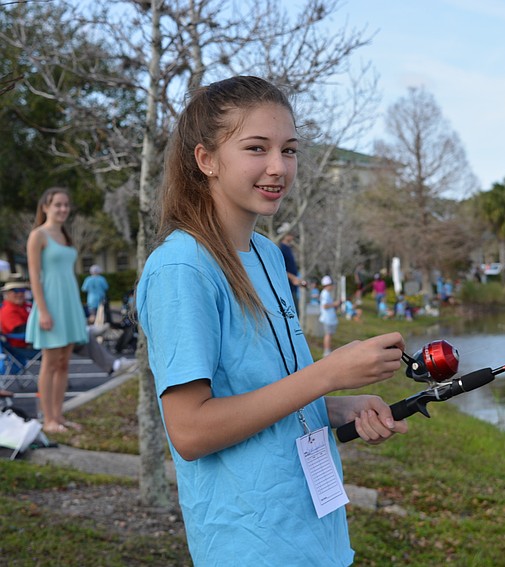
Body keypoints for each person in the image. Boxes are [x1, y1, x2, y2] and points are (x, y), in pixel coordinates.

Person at [135, 75, 407, 565]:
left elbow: (265, 389)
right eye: (257, 148)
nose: (278, 167)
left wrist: (338, 408)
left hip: (316, 535)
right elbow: (190, 431)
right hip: (250, 545)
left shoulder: (268, 255)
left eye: (290, 149)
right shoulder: (182, 269)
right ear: (207, 160)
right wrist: (329, 372)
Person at [24, 187, 89, 434]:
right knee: (50, 364)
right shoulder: (38, 235)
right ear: (45, 207)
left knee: (64, 364)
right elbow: (34, 276)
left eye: (66, 205)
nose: (63, 209)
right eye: (57, 204)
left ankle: (59, 416)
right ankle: (47, 419)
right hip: (49, 304)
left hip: (69, 304)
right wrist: (42, 310)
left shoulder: (65, 235)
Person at [0, 282, 136, 377]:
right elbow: (20, 332)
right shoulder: (8, 311)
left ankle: (110, 362)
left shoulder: (27, 306)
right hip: (29, 345)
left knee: (83, 340)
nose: (21, 294)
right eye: (16, 291)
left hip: (44, 339)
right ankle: (87, 334)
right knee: (82, 338)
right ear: (7, 294)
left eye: (23, 290)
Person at [278, 232, 306, 314]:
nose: (292, 236)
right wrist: (292, 278)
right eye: (289, 233)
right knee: (293, 313)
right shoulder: (281, 249)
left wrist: (298, 280)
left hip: (293, 287)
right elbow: (279, 268)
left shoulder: (289, 248)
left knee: (297, 313)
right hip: (286, 288)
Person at [319, 275, 340, 357]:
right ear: (327, 285)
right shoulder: (325, 294)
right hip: (327, 318)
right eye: (331, 284)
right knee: (328, 334)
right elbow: (325, 306)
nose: (332, 286)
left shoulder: (326, 293)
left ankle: (328, 350)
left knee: (329, 334)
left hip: (329, 318)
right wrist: (335, 304)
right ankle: (326, 351)